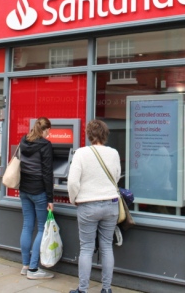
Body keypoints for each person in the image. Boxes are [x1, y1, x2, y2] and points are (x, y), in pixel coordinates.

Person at [67, 120, 121, 293]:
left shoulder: (81, 153)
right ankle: (106, 289)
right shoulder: (113, 153)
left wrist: (73, 199)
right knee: (107, 246)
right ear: (105, 134)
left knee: (86, 248)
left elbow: (72, 182)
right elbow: (117, 176)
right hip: (111, 204)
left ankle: (83, 289)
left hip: (88, 205)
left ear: (89, 134)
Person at [18, 117, 55, 280]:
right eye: (49, 131)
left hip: (24, 190)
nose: (49, 134)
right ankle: (33, 269)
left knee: (27, 226)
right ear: (46, 130)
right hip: (39, 191)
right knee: (41, 228)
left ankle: (25, 265)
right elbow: (47, 173)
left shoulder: (24, 140)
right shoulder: (45, 145)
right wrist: (50, 199)